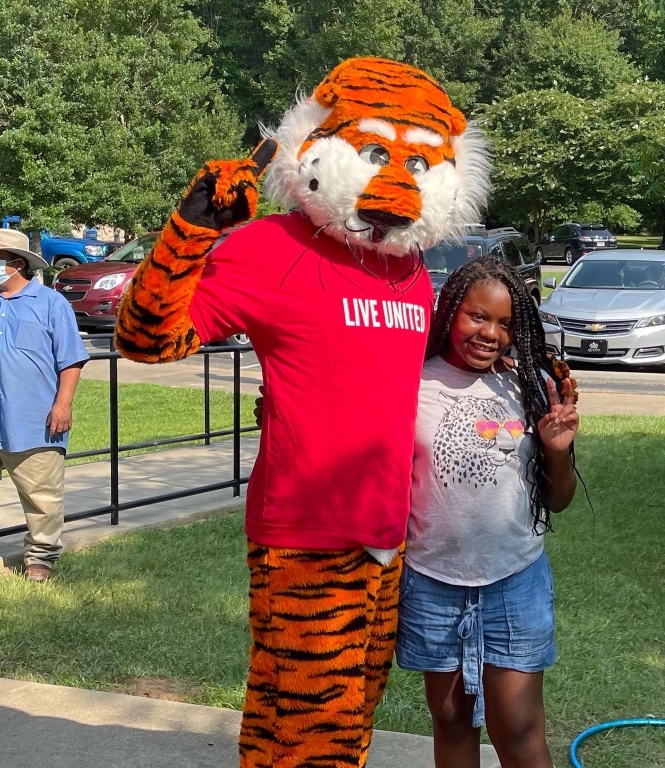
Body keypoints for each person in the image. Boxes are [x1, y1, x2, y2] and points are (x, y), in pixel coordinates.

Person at [115, 57, 491, 768]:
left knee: (322, 720)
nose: (391, 186)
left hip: (388, 529)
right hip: (307, 530)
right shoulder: (270, 247)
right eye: (374, 153)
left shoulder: (408, 272)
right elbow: (146, 338)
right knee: (317, 732)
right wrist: (188, 233)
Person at [396, 257, 578, 768]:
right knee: (452, 719)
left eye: (504, 323)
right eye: (478, 317)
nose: (490, 333)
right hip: (432, 580)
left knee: (516, 728)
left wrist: (558, 451)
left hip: (514, 579)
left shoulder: (530, 384)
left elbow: (557, 499)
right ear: (450, 311)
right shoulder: (410, 382)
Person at [0, 229, 89, 581]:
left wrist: (63, 405)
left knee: (43, 498)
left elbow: (70, 360)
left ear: (15, 264)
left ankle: (40, 559)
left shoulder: (51, 304)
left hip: (34, 418)